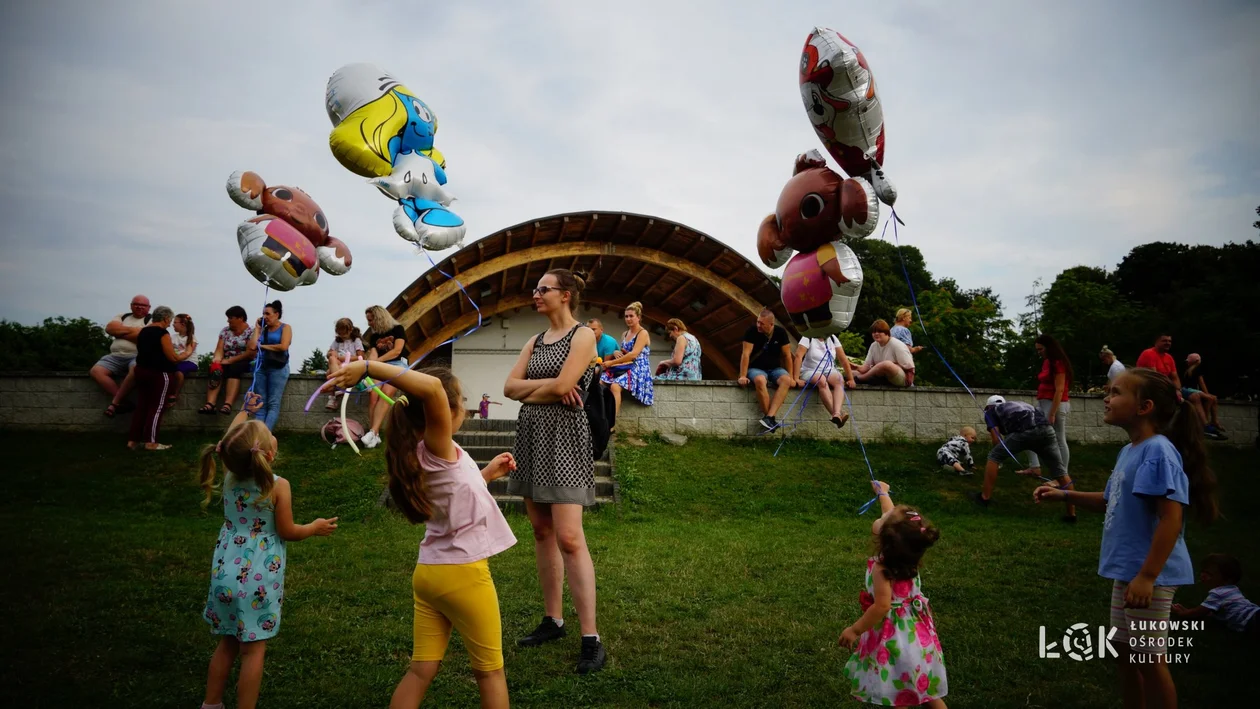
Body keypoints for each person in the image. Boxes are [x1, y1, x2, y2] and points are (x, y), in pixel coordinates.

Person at [325, 361, 517, 708]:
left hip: (430, 573)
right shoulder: (438, 443)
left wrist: (486, 474)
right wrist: (367, 366)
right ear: (446, 408)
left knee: (421, 670)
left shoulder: (420, 455)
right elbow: (430, 388)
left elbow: (452, 494)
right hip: (464, 575)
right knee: (490, 673)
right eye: (458, 400)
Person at [1034, 368, 1219, 709]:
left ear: (1144, 407)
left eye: (1115, 392)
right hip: (1129, 574)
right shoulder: (1130, 451)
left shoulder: (1158, 451)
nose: (1107, 397)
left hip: (1150, 577)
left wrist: (1148, 576)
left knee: (1149, 659)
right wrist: (1066, 496)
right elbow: (1109, 499)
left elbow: (1171, 518)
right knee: (1124, 653)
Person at [196, 392, 338, 709]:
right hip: (257, 580)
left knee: (227, 644)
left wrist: (245, 411)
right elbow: (287, 531)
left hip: (224, 572)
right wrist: (313, 528)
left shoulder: (230, 473)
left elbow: (229, 443)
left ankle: (211, 704)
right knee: (253, 651)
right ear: (269, 454)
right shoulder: (278, 485)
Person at [503, 269, 607, 674]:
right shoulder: (533, 340)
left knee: (569, 536)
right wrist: (549, 387)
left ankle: (591, 638)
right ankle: (553, 621)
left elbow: (567, 384)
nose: (535, 294)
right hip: (531, 434)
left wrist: (538, 386)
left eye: (542, 289)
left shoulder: (583, 336)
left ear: (565, 295)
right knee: (541, 531)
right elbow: (510, 388)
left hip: (566, 438)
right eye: (535, 289)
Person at [838, 480, 948, 708]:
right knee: (926, 691)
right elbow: (889, 514)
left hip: (894, 639)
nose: (884, 515)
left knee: (898, 694)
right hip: (917, 636)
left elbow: (881, 606)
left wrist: (855, 629)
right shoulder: (909, 553)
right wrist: (882, 492)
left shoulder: (882, 568)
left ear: (885, 538)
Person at [971, 395, 1076, 521]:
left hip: (1024, 431)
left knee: (993, 456)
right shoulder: (1018, 404)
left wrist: (1000, 456)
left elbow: (996, 438)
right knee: (1060, 472)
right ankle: (1071, 515)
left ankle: (984, 498)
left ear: (988, 406)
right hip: (1046, 430)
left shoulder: (991, 411)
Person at [128, 306, 182, 451]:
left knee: (142, 406)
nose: (170, 323)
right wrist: (186, 354)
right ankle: (151, 442)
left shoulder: (143, 331)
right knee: (157, 408)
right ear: (165, 318)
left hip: (141, 370)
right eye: (169, 320)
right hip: (159, 373)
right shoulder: (162, 333)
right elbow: (172, 357)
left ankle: (133, 441)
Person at [1023, 334, 1073, 481]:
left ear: (1049, 347)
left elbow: (1060, 390)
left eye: (1041, 349)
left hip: (1055, 404)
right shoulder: (1047, 362)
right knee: (1028, 430)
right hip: (1043, 403)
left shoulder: (1058, 363)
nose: (1039, 352)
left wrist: (1052, 413)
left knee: (1058, 438)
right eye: (1037, 350)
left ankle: (1062, 477)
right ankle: (1034, 466)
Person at [1172, 554, 1259, 635]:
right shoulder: (1233, 589)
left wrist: (1184, 613)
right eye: (1203, 571)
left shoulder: (1218, 593)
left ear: (1228, 580)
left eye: (1209, 574)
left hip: (1250, 620)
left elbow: (1199, 612)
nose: (1203, 575)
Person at [361, 305, 410, 449]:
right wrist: (370, 366)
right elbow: (374, 354)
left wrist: (377, 362)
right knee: (373, 395)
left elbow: (397, 351)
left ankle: (373, 432)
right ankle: (374, 434)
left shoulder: (398, 329)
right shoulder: (374, 336)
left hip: (398, 365)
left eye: (370, 320)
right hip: (381, 365)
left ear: (379, 317)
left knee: (386, 392)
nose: (369, 323)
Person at [95, 294, 150, 417]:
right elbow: (109, 329)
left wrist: (119, 332)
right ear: (131, 306)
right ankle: (123, 401)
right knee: (96, 371)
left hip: (137, 355)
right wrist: (135, 332)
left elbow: (146, 338)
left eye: (143, 305)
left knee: (136, 370)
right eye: (136, 304)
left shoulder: (151, 320)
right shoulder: (122, 316)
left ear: (149, 307)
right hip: (115, 355)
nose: (139, 307)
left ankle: (116, 402)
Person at [738, 308, 794, 431]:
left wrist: (792, 377)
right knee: (760, 380)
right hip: (756, 368)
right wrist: (742, 375)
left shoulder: (780, 333)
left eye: (762, 323)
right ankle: (770, 418)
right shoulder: (751, 332)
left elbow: (787, 356)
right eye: (758, 322)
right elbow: (746, 354)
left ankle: (769, 417)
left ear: (771, 324)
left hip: (775, 368)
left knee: (786, 380)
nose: (758, 325)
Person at [599, 301, 654, 418]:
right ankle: (601, 415)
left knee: (615, 386)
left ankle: (611, 422)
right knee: (600, 381)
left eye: (631, 316)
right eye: (626, 316)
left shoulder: (642, 333)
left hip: (639, 367)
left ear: (638, 318)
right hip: (625, 365)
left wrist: (611, 362)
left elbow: (634, 355)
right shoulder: (624, 333)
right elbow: (625, 352)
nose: (628, 319)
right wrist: (616, 351)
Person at [792, 333, 856, 429]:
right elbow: (798, 356)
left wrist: (851, 379)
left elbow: (843, 359)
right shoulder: (808, 337)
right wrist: (796, 378)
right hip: (810, 370)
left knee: (839, 380)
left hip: (829, 370)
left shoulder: (833, 338)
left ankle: (837, 414)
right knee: (821, 380)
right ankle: (837, 414)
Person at [200, 306, 256, 415]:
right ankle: (210, 403)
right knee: (216, 369)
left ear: (240, 318)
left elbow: (250, 353)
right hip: (227, 359)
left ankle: (228, 404)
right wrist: (217, 359)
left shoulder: (252, 332)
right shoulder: (225, 331)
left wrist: (230, 360)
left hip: (244, 359)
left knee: (234, 368)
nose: (228, 320)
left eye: (231, 318)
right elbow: (219, 349)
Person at [247, 301, 292, 432]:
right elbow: (251, 347)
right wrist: (257, 328)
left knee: (273, 403)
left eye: (268, 313)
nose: (265, 316)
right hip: (261, 366)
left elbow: (283, 346)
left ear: (276, 314)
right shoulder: (263, 330)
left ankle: (265, 435)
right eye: (263, 314)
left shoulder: (285, 327)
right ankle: (257, 435)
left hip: (278, 368)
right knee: (260, 402)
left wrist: (263, 347)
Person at [853, 319, 916, 388]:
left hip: (903, 378)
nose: (876, 334)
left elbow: (909, 368)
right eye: (874, 332)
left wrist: (885, 367)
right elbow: (866, 367)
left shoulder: (896, 344)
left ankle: (861, 379)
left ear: (886, 332)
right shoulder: (873, 345)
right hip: (882, 376)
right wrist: (856, 367)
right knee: (851, 373)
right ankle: (873, 380)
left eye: (879, 331)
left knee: (886, 364)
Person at [1182, 353, 1227, 440]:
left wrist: (1206, 395)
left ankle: (1214, 421)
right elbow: (1201, 382)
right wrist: (1207, 394)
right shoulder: (1197, 368)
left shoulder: (1191, 369)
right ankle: (1207, 423)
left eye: (1188, 361)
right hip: (1189, 390)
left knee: (1213, 398)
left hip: (1189, 389)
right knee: (1211, 398)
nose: (1187, 363)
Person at [325, 318, 365, 410]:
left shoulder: (356, 341)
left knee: (329, 373)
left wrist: (344, 358)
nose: (342, 336)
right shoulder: (337, 341)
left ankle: (335, 394)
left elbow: (361, 357)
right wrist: (331, 354)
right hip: (339, 365)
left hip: (351, 364)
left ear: (350, 330)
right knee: (331, 359)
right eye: (340, 333)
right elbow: (328, 353)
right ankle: (338, 388)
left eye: (344, 333)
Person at [169, 313, 200, 405]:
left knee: (179, 372)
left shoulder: (191, 338)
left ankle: (175, 394)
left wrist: (176, 359)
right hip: (176, 361)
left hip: (189, 362)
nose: (173, 324)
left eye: (175, 322)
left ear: (182, 324)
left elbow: (188, 353)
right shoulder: (172, 337)